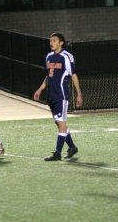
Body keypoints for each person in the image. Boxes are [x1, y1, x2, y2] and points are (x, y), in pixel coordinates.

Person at [33, 32, 83, 161]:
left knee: (61, 124)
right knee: (59, 123)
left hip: (61, 95)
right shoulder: (49, 56)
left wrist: (79, 94)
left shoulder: (66, 56)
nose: (51, 43)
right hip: (51, 96)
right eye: (50, 41)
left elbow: (73, 75)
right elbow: (49, 76)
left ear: (61, 43)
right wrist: (40, 89)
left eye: (54, 40)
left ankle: (57, 153)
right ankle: (72, 147)